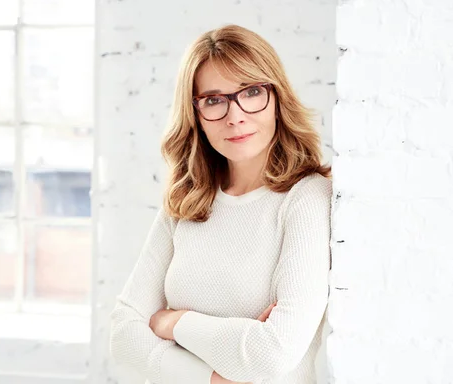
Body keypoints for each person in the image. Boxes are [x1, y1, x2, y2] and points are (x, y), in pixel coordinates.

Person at [109, 24, 333, 384]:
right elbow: (123, 334)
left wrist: (171, 321)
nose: (235, 115)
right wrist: (212, 380)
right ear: (195, 114)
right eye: (214, 100)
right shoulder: (185, 202)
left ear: (277, 99)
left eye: (252, 91)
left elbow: (273, 354)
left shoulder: (305, 197)